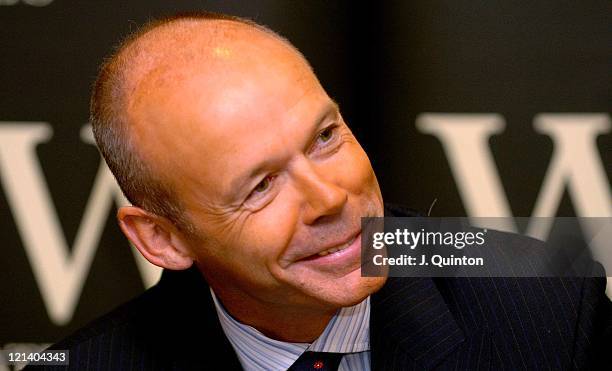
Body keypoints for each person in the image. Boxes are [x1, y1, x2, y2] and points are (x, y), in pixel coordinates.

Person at [29, 12, 610, 371]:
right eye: (260, 185)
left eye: (325, 137)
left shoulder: (546, 309)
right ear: (162, 237)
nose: (329, 197)